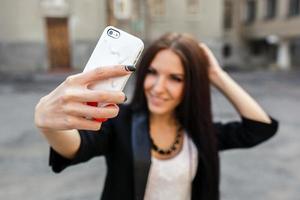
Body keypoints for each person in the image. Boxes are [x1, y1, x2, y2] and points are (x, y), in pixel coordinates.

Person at [34, 33, 278, 200]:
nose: (158, 87)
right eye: (152, 72)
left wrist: (215, 74)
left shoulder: (201, 132)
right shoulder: (120, 120)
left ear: (192, 84)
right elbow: (76, 147)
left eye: (176, 78)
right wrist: (48, 124)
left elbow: (260, 128)